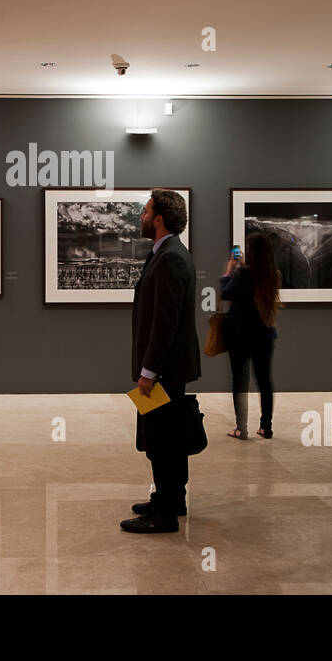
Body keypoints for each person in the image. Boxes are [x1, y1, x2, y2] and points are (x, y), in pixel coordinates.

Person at [122, 189, 200, 534]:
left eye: (145, 211)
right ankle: (172, 499)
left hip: (164, 368)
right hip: (170, 365)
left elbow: (164, 322)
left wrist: (149, 371)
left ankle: (165, 514)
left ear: (159, 218)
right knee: (169, 437)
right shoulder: (168, 253)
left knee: (162, 440)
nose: (140, 217)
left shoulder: (170, 258)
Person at [220, 232, 282, 439]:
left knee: (240, 381)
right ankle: (266, 427)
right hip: (264, 335)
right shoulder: (274, 274)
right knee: (265, 382)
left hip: (239, 335)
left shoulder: (243, 273)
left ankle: (241, 427)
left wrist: (229, 271)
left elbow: (226, 293)